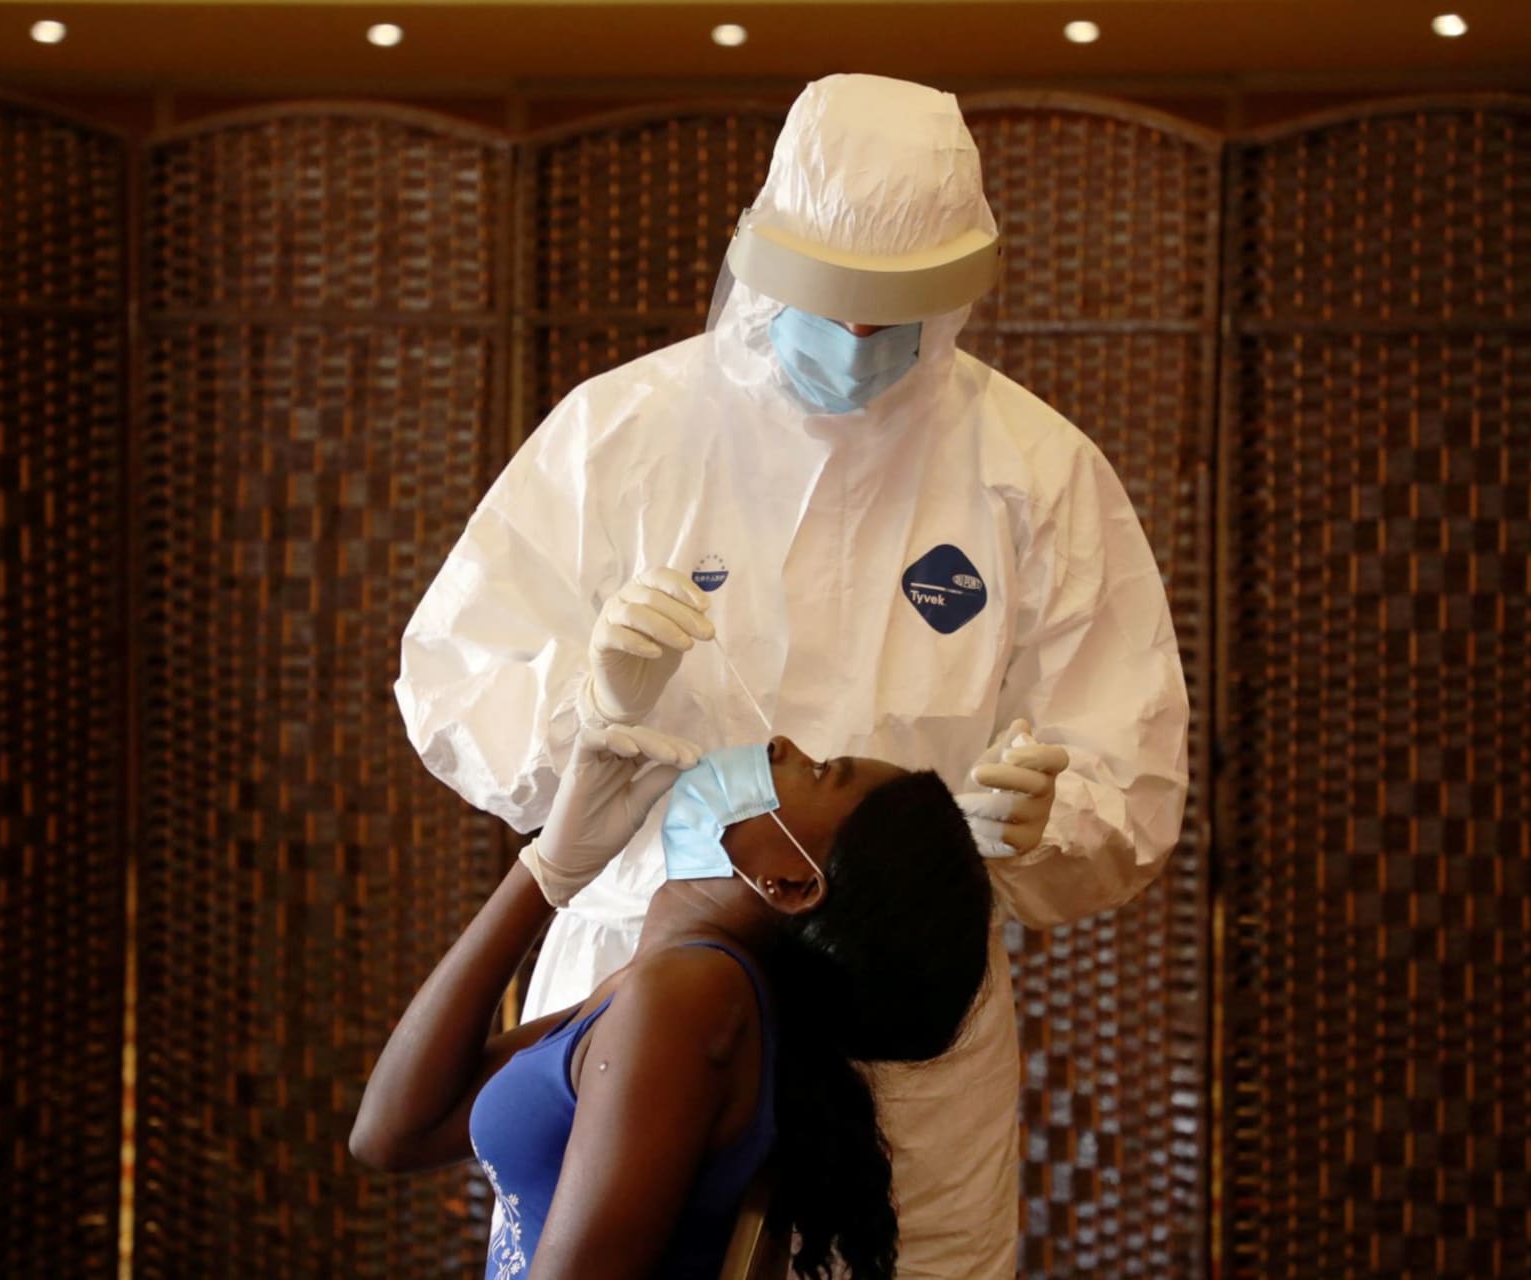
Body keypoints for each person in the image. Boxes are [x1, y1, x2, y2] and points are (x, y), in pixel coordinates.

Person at [394, 73, 1189, 1276]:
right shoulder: (623, 435)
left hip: (895, 1024)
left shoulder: (1033, 473)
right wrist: (592, 713)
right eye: (834, 304)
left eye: (893, 313)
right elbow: (454, 678)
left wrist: (1032, 827)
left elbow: (1126, 778)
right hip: (650, 962)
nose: (858, 341)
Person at [351, 727, 994, 1280]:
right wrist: (547, 869)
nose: (780, 744)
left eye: (819, 771)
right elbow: (396, 1133)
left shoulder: (690, 998)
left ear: (790, 884)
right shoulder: (673, 983)